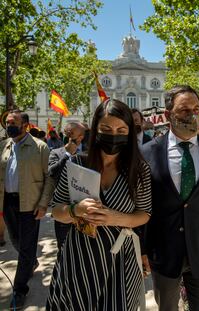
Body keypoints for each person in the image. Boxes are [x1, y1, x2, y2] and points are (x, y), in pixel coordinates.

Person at [47, 99, 152, 310]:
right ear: (95, 129)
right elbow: (56, 210)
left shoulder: (139, 170)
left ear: (129, 133)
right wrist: (74, 210)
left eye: (121, 129)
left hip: (119, 258)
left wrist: (116, 218)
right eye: (106, 128)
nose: (113, 135)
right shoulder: (75, 164)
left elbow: (145, 213)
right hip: (79, 257)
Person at [142, 85, 199, 311]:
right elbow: (141, 204)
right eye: (185, 110)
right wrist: (142, 249)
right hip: (163, 253)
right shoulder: (147, 152)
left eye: (197, 109)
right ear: (168, 115)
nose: (193, 115)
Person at [0, 110, 54, 309]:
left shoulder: (40, 147)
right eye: (7, 122)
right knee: (16, 239)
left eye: (13, 122)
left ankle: (19, 290)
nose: (9, 125)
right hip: (8, 203)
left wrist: (43, 204)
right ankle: (31, 261)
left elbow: (50, 177)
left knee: (26, 247)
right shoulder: (3, 146)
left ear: (25, 125)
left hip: (30, 204)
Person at [48, 122, 86, 254]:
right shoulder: (56, 153)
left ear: (81, 136)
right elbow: (52, 173)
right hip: (63, 207)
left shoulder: (88, 153)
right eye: (67, 132)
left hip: (84, 208)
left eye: (72, 133)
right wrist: (67, 155)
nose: (68, 135)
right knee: (63, 247)